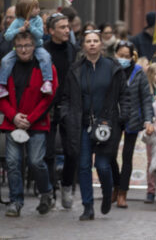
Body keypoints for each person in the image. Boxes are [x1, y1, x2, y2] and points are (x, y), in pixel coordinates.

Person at [61, 29, 127, 221]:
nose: (91, 44)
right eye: (88, 41)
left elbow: (124, 94)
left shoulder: (112, 67)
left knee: (103, 165)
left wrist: (124, 115)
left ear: (101, 44)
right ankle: (87, 206)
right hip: (81, 124)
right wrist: (66, 115)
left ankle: (107, 195)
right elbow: (66, 97)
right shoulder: (75, 69)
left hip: (107, 123)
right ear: (83, 45)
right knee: (83, 166)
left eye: (95, 41)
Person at [0, 31, 58, 217]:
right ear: (14, 47)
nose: (23, 49)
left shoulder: (45, 67)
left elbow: (48, 98)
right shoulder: (7, 67)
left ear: (35, 46)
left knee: (35, 162)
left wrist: (30, 119)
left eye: (27, 45)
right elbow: (1, 95)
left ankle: (46, 193)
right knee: (13, 163)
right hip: (12, 122)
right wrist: (13, 116)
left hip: (37, 122)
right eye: (20, 46)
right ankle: (16, 201)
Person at [110, 41, 154, 208]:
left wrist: (148, 120)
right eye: (120, 55)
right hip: (113, 118)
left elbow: (146, 98)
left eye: (126, 56)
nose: (123, 59)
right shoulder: (110, 70)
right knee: (109, 155)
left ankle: (123, 192)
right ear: (115, 55)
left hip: (133, 119)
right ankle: (115, 184)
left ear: (132, 57)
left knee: (127, 156)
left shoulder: (138, 73)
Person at [43, 13, 80, 209]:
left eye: (68, 26)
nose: (67, 30)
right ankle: (50, 191)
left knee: (72, 151)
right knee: (48, 152)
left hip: (70, 105)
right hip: (47, 106)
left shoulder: (73, 51)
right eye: (62, 27)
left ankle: (67, 186)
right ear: (51, 31)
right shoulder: (43, 52)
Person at [0, 0, 53, 98]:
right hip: (19, 49)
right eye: (35, 8)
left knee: (46, 57)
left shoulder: (38, 20)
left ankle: (47, 81)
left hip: (37, 47)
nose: (38, 10)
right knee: (6, 60)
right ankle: (2, 85)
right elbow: (7, 36)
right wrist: (19, 29)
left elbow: (40, 35)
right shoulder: (17, 21)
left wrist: (31, 28)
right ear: (26, 10)